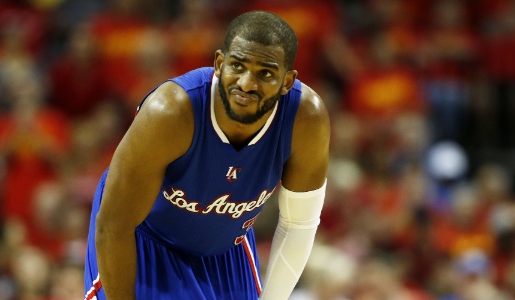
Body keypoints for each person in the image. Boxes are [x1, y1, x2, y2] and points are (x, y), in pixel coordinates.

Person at [83, 10, 330, 300]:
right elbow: (114, 225)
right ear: (219, 63)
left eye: (265, 73)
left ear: (287, 81)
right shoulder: (171, 112)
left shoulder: (306, 119)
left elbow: (298, 224)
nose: (247, 84)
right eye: (237, 66)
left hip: (226, 251)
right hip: (144, 239)